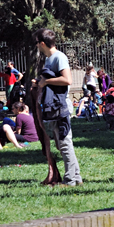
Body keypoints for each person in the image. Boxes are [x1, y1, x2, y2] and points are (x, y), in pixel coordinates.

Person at [34, 28, 82, 185]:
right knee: (62, 144)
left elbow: (67, 80)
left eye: (37, 44)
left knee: (65, 142)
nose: (37, 47)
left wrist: (46, 81)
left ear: (42, 43)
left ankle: (71, 179)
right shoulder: (49, 59)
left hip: (60, 105)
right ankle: (75, 177)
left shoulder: (59, 57)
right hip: (53, 105)